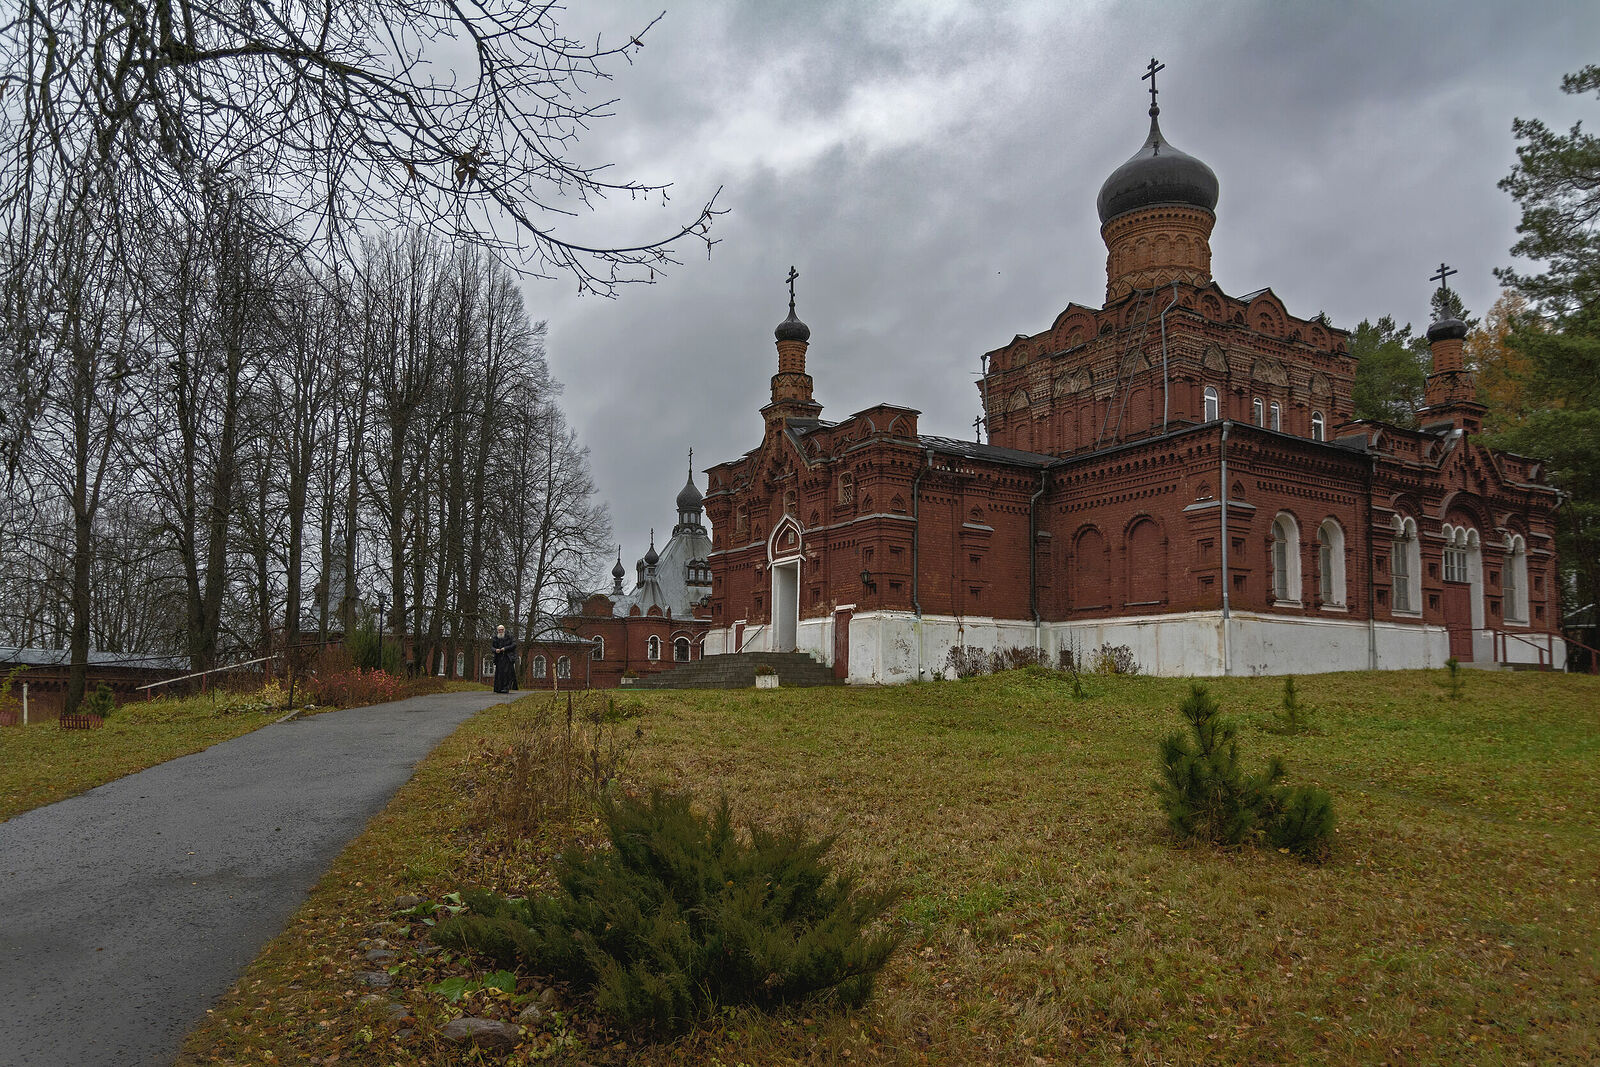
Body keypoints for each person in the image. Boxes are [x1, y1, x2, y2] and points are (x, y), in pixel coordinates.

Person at [491, 624, 518, 694]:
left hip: (507, 657)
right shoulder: (495, 637)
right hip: (499, 658)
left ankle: (506, 688)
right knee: (499, 673)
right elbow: (492, 647)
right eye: (499, 630)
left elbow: (514, 645)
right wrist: (495, 650)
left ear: (504, 630)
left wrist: (505, 648)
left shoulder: (509, 636)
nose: (501, 631)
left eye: (502, 630)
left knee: (506, 673)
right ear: (497, 630)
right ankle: (498, 688)